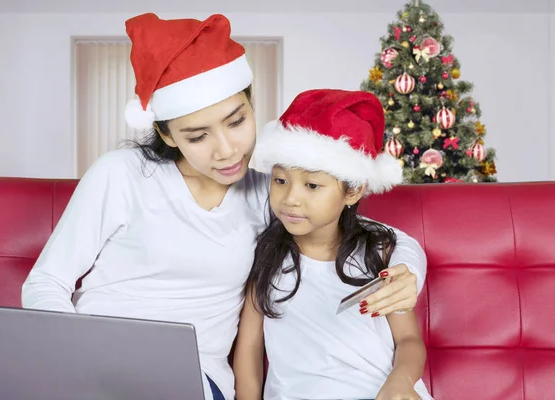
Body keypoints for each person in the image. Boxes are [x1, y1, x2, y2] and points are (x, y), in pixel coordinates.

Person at [21, 13, 426, 400]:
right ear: (167, 133)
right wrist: (72, 357)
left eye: (236, 122)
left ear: (252, 104)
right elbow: (46, 282)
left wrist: (409, 270)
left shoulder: (263, 194)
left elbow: (352, 224)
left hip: (191, 377)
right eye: (198, 136)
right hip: (94, 363)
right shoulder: (121, 173)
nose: (228, 150)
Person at [233, 89, 432, 400]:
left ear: (352, 192)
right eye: (280, 180)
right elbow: (249, 348)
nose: (291, 198)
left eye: (312, 185)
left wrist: (401, 381)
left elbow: (408, 339)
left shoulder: (377, 254)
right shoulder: (267, 255)